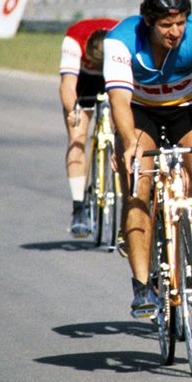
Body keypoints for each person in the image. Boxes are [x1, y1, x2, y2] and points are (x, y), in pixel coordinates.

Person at [104, 0, 192, 319]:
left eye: (180, 23)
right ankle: (142, 286)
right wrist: (129, 143)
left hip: (185, 111)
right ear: (149, 22)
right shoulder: (121, 39)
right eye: (166, 25)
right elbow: (119, 100)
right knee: (138, 184)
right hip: (140, 113)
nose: (175, 31)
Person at [59, 17, 119, 237]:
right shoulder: (73, 41)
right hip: (84, 81)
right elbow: (67, 85)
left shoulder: (122, 37)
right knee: (77, 137)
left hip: (114, 77)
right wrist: (73, 113)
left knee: (123, 133)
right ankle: (78, 206)